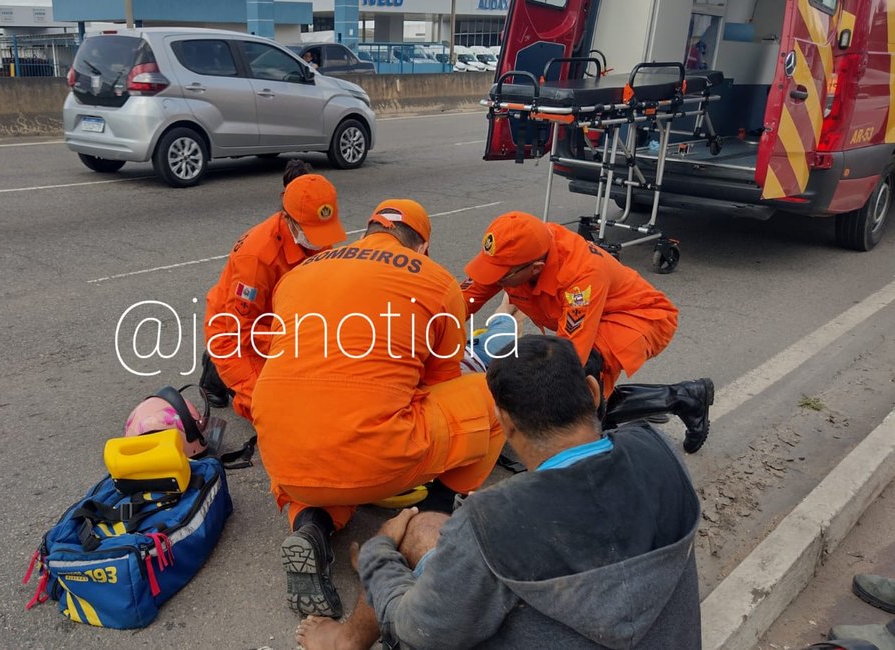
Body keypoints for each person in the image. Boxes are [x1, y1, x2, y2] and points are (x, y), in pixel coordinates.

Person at [296, 335, 703, 650]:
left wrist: (377, 554)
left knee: (407, 552)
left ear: (504, 423)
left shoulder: (493, 522)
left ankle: (347, 636)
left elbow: (419, 630)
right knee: (430, 529)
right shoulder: (660, 450)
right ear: (594, 393)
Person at [251, 199, 504, 618]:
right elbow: (441, 384)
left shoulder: (297, 275)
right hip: (375, 456)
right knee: (489, 395)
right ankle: (431, 515)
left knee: (322, 451)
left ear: (366, 232)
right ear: (421, 247)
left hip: (284, 456)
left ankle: (311, 524)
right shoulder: (436, 281)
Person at [462, 210, 714, 452]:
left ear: (535, 268)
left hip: (640, 317)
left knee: (576, 387)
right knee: (574, 389)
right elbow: (461, 301)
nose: (493, 279)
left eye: (501, 276)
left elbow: (572, 357)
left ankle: (591, 456)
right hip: (596, 316)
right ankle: (685, 397)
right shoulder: (513, 252)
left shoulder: (580, 274)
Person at [199, 163, 344, 419]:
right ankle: (216, 372)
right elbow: (241, 329)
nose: (321, 241)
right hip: (236, 333)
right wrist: (290, 340)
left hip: (281, 322)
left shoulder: (314, 230)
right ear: (288, 217)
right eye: (313, 232)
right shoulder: (257, 257)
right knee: (273, 408)